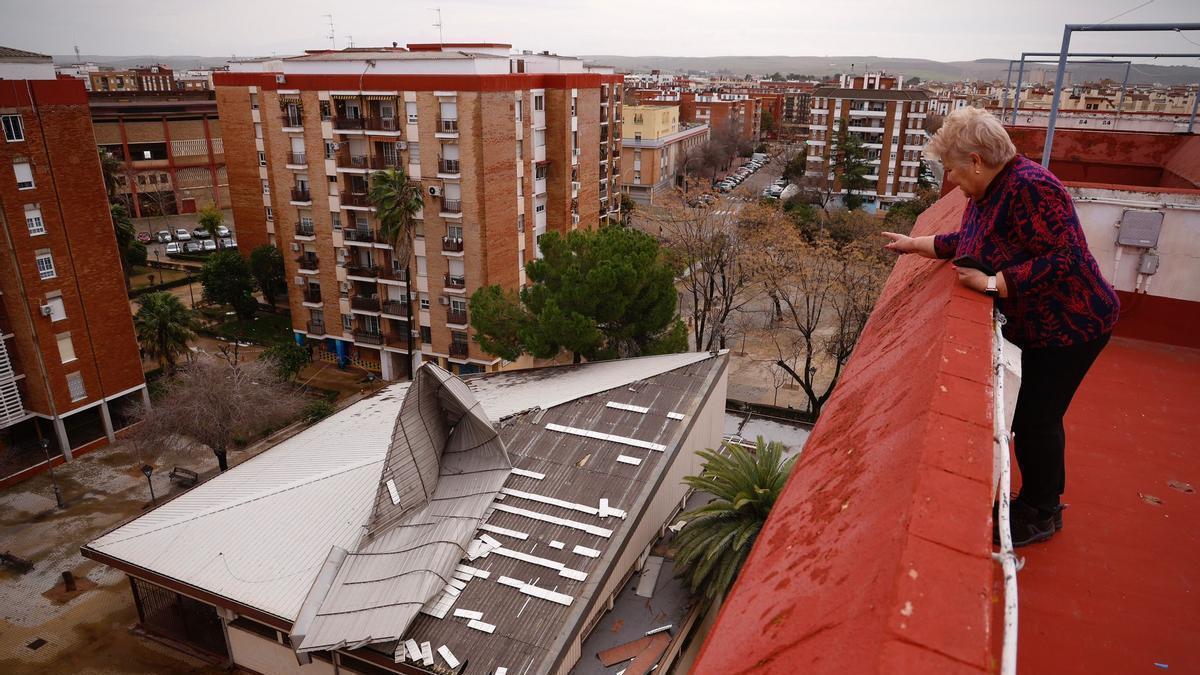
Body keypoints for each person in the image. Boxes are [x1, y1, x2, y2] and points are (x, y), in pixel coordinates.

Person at [881, 107, 1119, 547]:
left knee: (1037, 420)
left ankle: (1042, 511)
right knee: (1034, 418)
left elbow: (1068, 259)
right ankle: (1040, 502)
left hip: (1072, 325)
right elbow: (972, 242)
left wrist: (996, 283)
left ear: (975, 160)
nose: (949, 178)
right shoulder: (990, 191)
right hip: (1043, 325)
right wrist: (917, 245)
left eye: (951, 167)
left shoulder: (1031, 188)